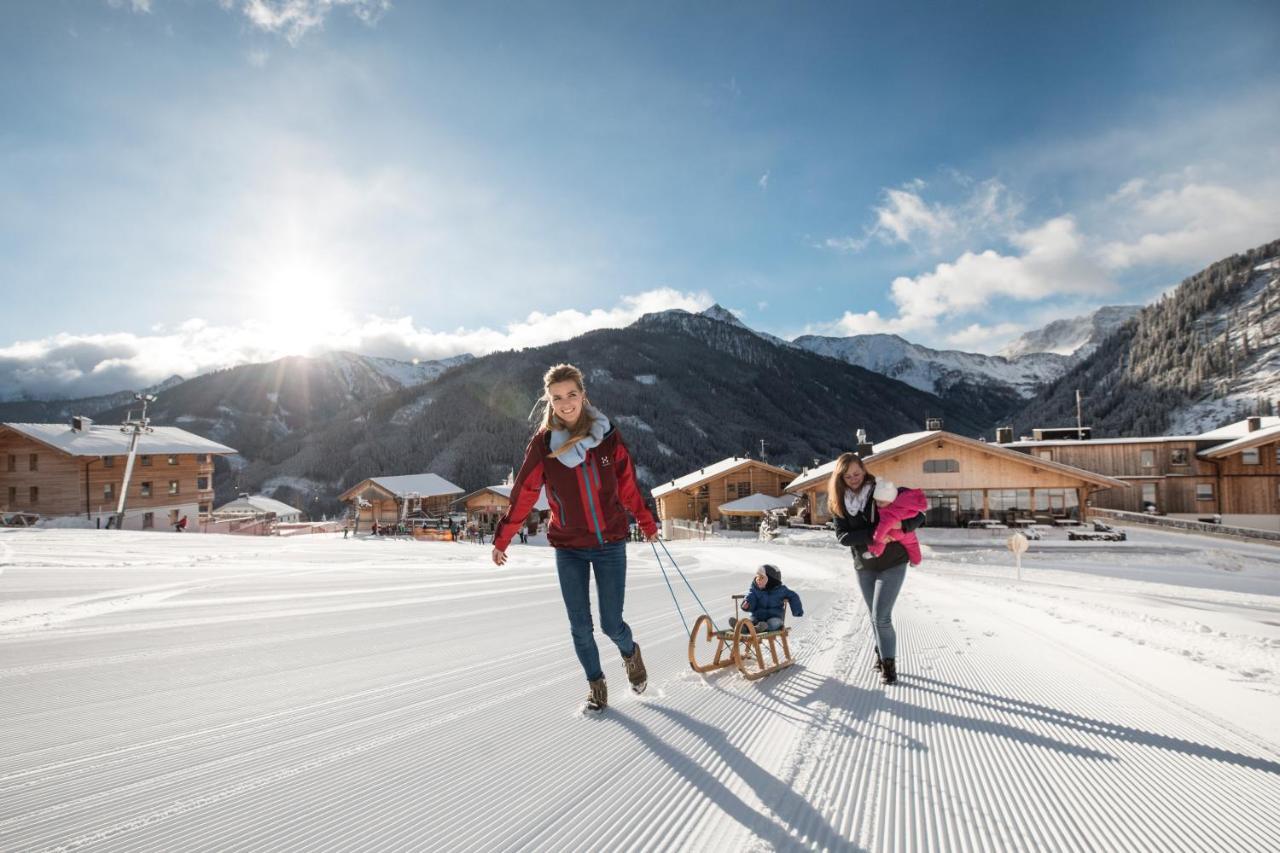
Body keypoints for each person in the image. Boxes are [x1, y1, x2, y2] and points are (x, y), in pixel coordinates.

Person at [492, 363, 659, 713]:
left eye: (571, 394)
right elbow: (524, 493)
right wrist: (503, 537)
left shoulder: (607, 436)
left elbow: (627, 485)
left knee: (612, 623)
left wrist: (646, 521)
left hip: (610, 543)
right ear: (549, 402)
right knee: (580, 627)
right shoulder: (542, 446)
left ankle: (630, 653)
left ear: (583, 395)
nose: (565, 403)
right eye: (557, 398)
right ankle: (596, 686)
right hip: (569, 547)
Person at [828, 453, 926, 685]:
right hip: (864, 565)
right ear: (840, 477)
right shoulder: (838, 502)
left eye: (857, 473)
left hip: (893, 561)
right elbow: (843, 537)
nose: (854, 478)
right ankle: (880, 652)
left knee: (881, 616)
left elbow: (918, 514)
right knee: (874, 617)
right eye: (848, 475)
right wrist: (875, 536)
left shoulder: (880, 489)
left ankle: (888, 666)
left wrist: (899, 525)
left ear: (864, 470)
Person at [863, 480, 926, 566]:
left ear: (890, 500)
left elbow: (883, 527)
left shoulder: (889, 512)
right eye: (877, 501)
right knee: (912, 544)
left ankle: (875, 552)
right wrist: (905, 525)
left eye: (881, 502)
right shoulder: (903, 504)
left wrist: (877, 538)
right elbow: (917, 513)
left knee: (882, 538)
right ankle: (916, 561)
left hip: (894, 532)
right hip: (908, 532)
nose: (878, 504)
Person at [734, 564, 803, 633]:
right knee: (751, 622)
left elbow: (793, 596)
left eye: (761, 577)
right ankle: (743, 627)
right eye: (757, 577)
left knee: (774, 623)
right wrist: (747, 604)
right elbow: (750, 597)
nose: (758, 580)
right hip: (757, 618)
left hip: (774, 617)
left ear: (771, 580)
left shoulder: (781, 590)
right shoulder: (755, 589)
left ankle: (760, 628)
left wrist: (797, 611)